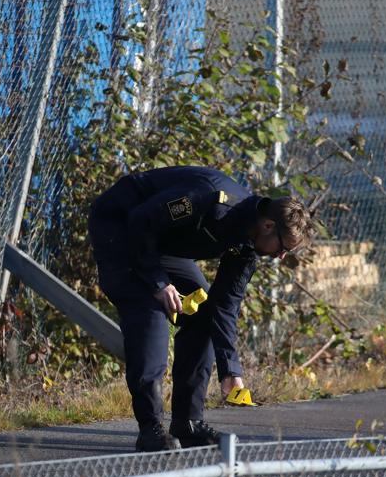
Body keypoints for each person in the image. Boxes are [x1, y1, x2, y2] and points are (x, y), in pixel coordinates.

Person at [89, 166, 313, 451]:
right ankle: (151, 429)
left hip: (160, 244)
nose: (281, 256)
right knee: (152, 318)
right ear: (269, 225)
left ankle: (188, 424)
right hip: (121, 225)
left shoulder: (247, 246)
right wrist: (158, 283)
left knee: (204, 314)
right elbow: (142, 219)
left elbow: (225, 307)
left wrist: (230, 369)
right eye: (283, 248)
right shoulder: (210, 199)